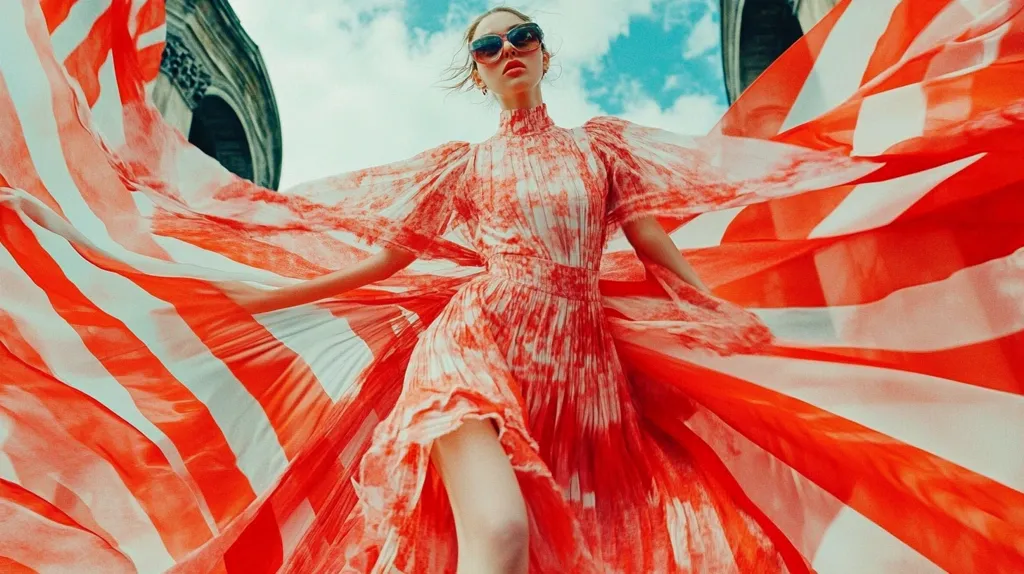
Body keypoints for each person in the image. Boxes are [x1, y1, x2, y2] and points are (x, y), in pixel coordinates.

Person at [1, 1, 1022, 573]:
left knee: (594, 549)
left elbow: (651, 239)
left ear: (540, 55)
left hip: (583, 374)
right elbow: (380, 263)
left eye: (518, 35)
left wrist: (710, 305)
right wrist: (248, 303)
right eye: (486, 44)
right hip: (476, 343)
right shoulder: (462, 165)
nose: (505, 52)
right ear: (476, 74)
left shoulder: (602, 148)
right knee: (495, 532)